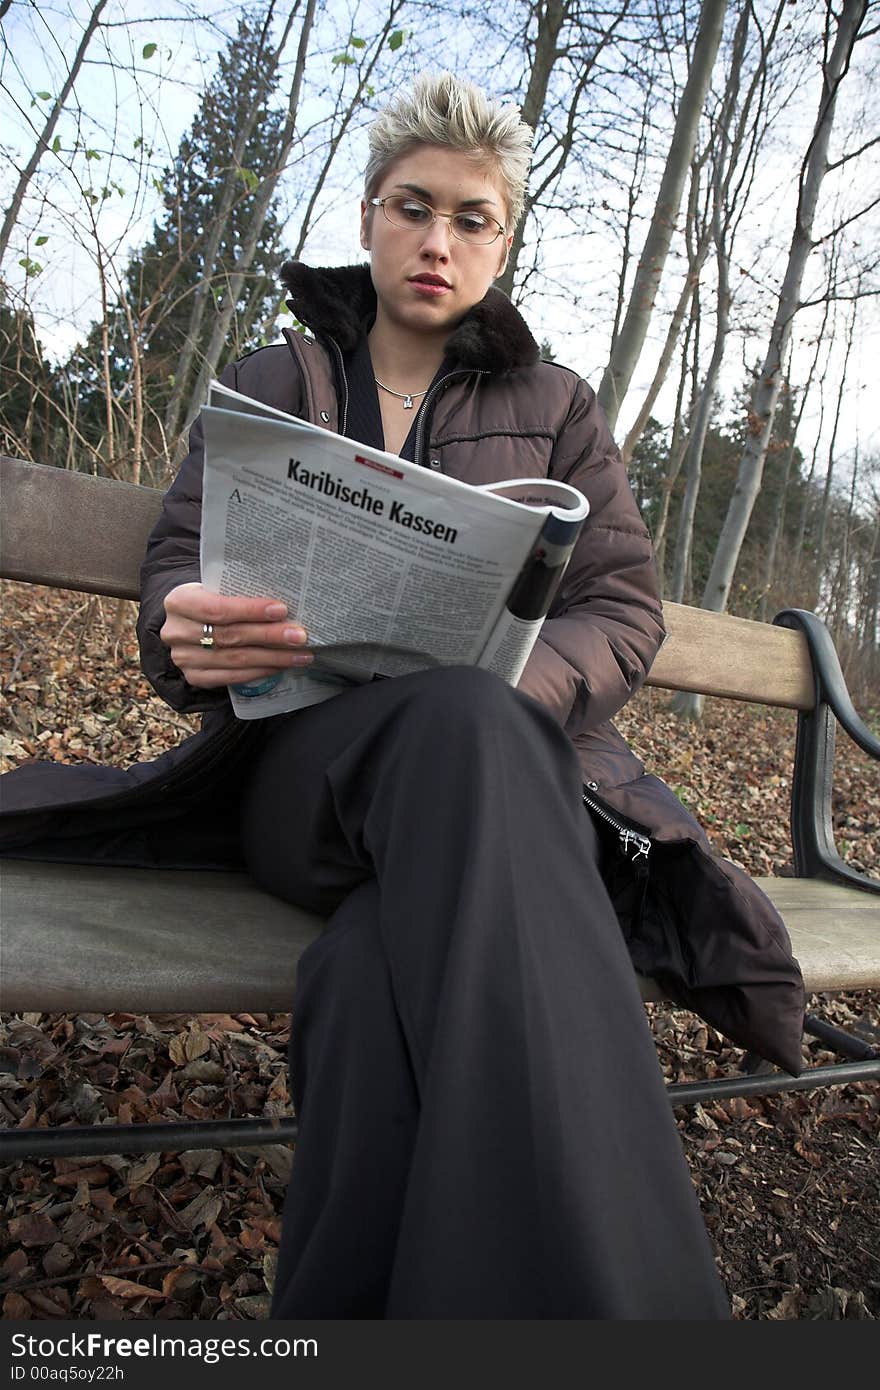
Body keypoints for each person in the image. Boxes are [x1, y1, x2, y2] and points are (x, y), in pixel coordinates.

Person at [0, 73, 805, 1318]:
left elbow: (624, 607)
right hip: (299, 786)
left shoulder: (556, 407)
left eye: (471, 217)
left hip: (482, 780)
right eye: (412, 207)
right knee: (464, 736)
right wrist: (186, 630)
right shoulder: (277, 379)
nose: (438, 240)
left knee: (380, 964)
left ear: (506, 239)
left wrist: (517, 684)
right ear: (369, 216)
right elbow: (179, 567)